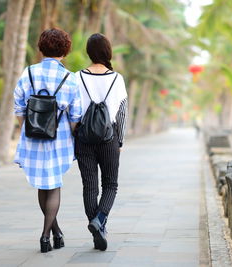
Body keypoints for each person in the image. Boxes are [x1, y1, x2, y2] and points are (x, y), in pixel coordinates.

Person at [13, 28, 82, 253]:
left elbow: (19, 106)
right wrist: (72, 134)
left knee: (44, 184)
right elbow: (75, 115)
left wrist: (29, 129)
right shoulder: (69, 78)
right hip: (59, 139)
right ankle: (45, 236)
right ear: (65, 50)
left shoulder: (29, 72)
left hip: (32, 137)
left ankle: (56, 232)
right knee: (53, 185)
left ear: (41, 47)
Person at [75, 33, 128, 251]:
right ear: (108, 52)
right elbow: (122, 113)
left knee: (89, 185)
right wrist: (121, 141)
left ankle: (97, 224)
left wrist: (73, 135)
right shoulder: (117, 79)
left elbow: (72, 111)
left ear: (89, 52)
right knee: (111, 184)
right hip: (109, 139)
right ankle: (100, 220)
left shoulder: (76, 77)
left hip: (83, 137)